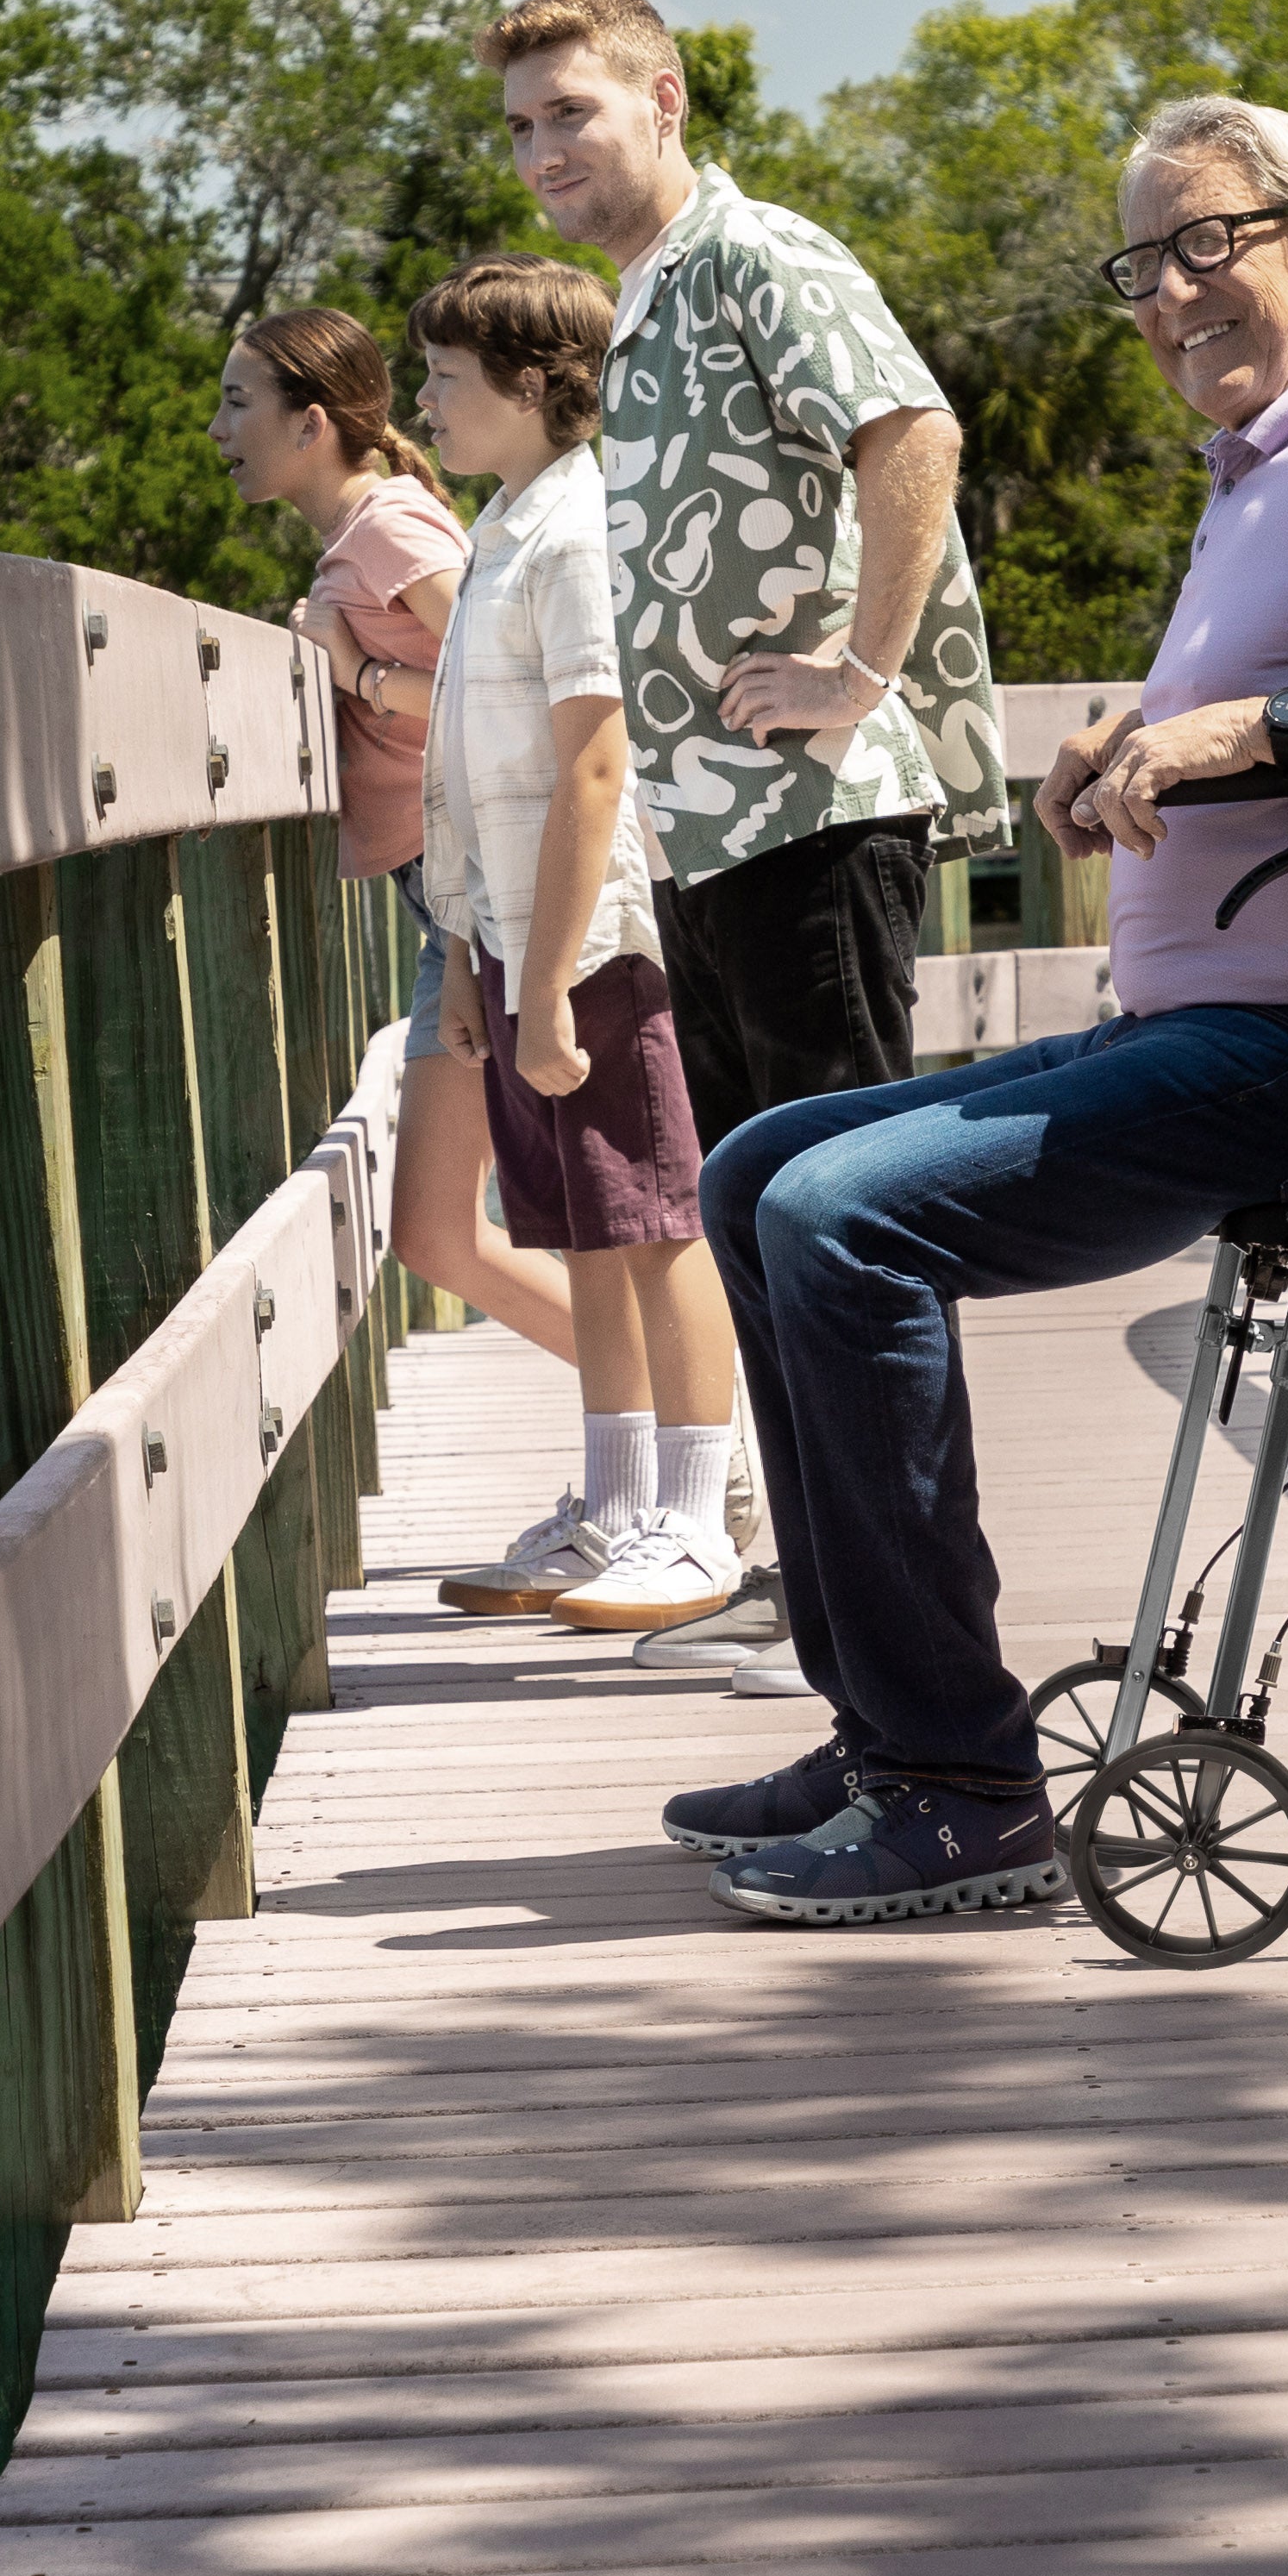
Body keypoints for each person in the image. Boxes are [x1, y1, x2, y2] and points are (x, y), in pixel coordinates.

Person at [669, 94, 1288, 1927]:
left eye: (1212, 242)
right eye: (1143, 263)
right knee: (754, 1171)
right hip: (1237, 1040)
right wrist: (1139, 761)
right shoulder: (1271, 470)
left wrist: (1259, 733)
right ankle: (889, 1724)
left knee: (838, 1218)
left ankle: (960, 1791)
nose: (1170, 293)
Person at [484, 0, 1012, 1690]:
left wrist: (865, 666)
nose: (544, 148)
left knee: (851, 1243)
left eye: (574, 110)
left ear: (665, 97)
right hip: (701, 841)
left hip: (814, 820)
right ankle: (840, 1620)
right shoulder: (630, 309)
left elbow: (912, 429)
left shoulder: (758, 257)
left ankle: (929, 1665)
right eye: (521, 125)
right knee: (766, 1238)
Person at [401, 254, 750, 1637]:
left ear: (540, 388)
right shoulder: (501, 527)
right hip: (511, 938)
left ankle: (697, 1521)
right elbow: (476, 771)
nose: (421, 401)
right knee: (582, 1228)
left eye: (443, 378)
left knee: (659, 1221)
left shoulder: (579, 530)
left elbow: (594, 767)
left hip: (597, 941)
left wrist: (546, 978)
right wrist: (479, 958)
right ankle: (615, 1507)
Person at [211, 309, 578, 1369]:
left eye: (239, 402)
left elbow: (514, 683)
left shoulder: (388, 528)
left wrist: (358, 675)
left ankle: (698, 1430)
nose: (217, 427)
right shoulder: (362, 535)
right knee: (434, 1233)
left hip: (490, 890)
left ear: (310, 422)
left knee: (511, 1221)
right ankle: (695, 1417)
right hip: (451, 902)